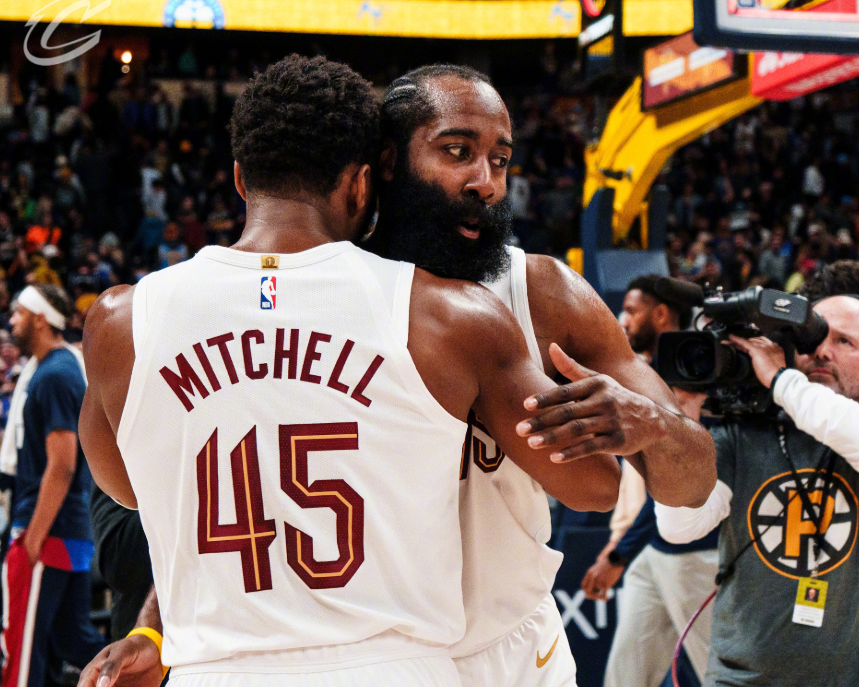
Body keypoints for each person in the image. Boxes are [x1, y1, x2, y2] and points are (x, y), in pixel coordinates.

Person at [76, 55, 625, 687]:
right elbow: (595, 484)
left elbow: (127, 488)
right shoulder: (449, 315)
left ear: (240, 179)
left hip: (214, 670)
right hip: (392, 667)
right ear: (363, 185)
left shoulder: (120, 320)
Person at [370, 67, 716, 687]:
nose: (486, 182)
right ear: (390, 161)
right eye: (457, 151)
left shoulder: (543, 290)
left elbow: (692, 484)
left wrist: (651, 425)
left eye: (500, 160)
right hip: (371, 655)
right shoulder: (327, 289)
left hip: (512, 650)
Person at [655, 262, 859, 686]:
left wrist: (781, 381)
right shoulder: (744, 427)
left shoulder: (846, 432)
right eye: (814, 337)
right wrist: (683, 415)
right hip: (737, 678)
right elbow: (679, 528)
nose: (823, 351)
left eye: (845, 341)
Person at [580, 276, 718, 687]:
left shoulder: (695, 380)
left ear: (660, 315)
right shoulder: (643, 375)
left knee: (720, 676)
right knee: (624, 677)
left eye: (631, 310)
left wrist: (618, 554)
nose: (622, 320)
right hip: (650, 550)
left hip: (696, 553)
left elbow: (674, 489)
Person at [1, 285, 104, 687]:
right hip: (69, 529)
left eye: (19, 313)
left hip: (48, 532)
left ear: (40, 318)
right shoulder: (58, 369)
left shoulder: (54, 375)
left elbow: (62, 465)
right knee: (74, 641)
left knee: (23, 652)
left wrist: (32, 539)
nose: (12, 321)